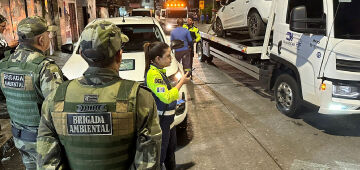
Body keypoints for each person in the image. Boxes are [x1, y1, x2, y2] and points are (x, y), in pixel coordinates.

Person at [36, 20, 162, 170]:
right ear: (119, 55)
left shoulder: (56, 97)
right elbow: (148, 162)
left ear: (82, 54)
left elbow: (46, 162)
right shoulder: (140, 98)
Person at [0, 16, 63, 170]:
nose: (49, 37)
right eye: (48, 35)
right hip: (42, 142)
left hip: (19, 137)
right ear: (41, 40)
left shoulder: (5, 64)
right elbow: (58, 108)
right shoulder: (45, 67)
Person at [144, 42, 191, 170]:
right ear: (158, 59)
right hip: (161, 120)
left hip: (168, 119)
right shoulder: (153, 75)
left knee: (171, 150)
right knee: (161, 154)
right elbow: (167, 97)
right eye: (168, 56)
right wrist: (181, 82)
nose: (171, 59)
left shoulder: (160, 72)